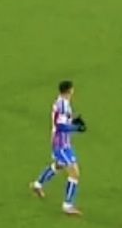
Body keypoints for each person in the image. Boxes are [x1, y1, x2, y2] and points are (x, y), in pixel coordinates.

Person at [30, 80, 86, 216]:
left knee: (59, 165)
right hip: (61, 144)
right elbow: (60, 126)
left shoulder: (61, 102)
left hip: (61, 142)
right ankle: (67, 205)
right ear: (70, 90)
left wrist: (73, 122)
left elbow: (61, 121)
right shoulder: (63, 105)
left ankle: (37, 185)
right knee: (74, 173)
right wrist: (76, 128)